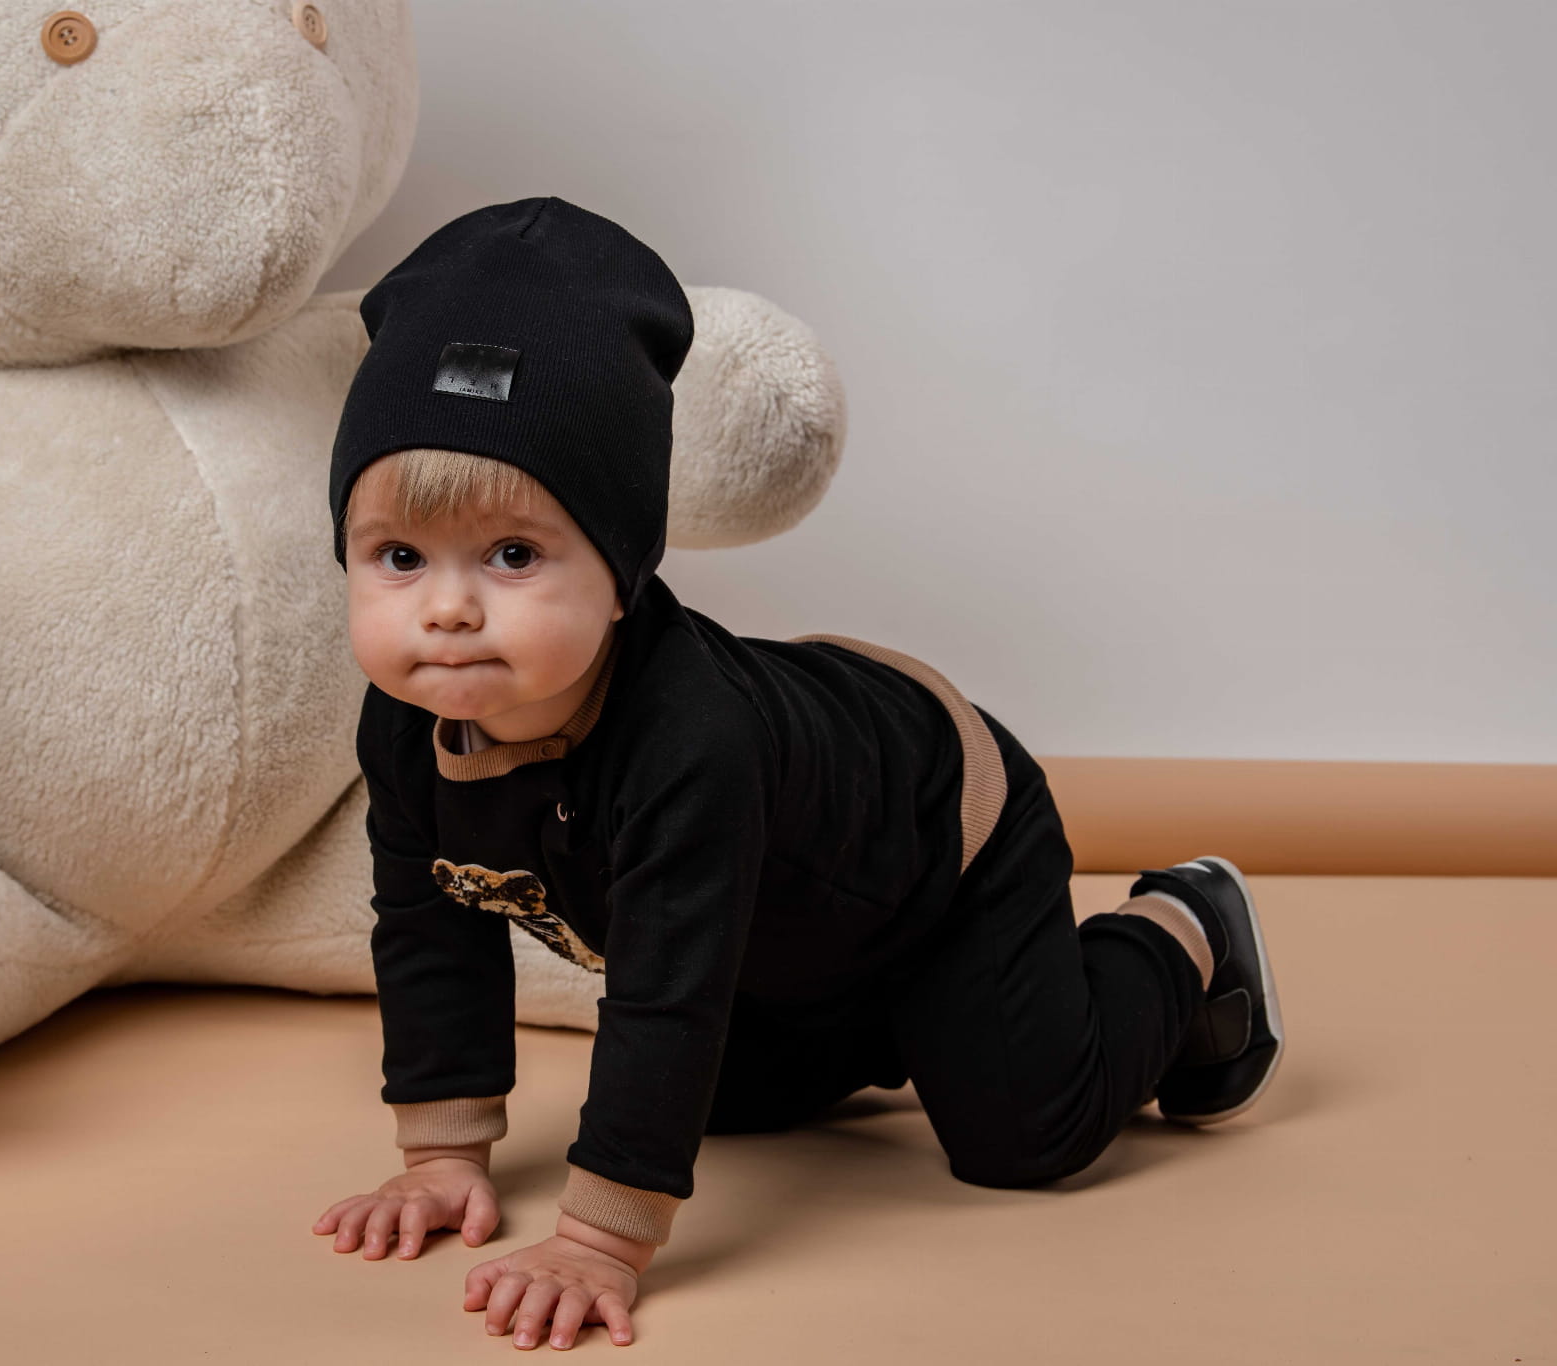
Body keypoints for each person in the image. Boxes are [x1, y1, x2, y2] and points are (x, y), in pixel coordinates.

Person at [307, 197, 1284, 1351]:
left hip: (935, 836)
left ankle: (1178, 924)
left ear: (620, 574)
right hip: (790, 913)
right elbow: (430, 929)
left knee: (1023, 1136)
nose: (447, 607)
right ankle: (896, 1021)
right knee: (722, 1102)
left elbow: (665, 995)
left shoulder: (687, 741)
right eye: (398, 556)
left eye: (512, 554)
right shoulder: (405, 723)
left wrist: (598, 1241)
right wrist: (440, 1156)